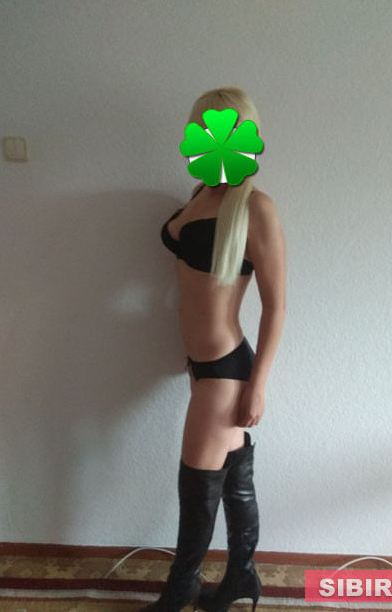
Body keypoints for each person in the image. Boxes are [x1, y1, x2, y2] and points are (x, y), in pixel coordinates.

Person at [139, 86, 287, 612]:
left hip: (227, 368)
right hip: (201, 366)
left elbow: (276, 307)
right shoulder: (199, 196)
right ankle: (242, 577)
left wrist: (258, 386)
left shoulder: (256, 208)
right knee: (233, 479)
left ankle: (182, 588)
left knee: (197, 484)